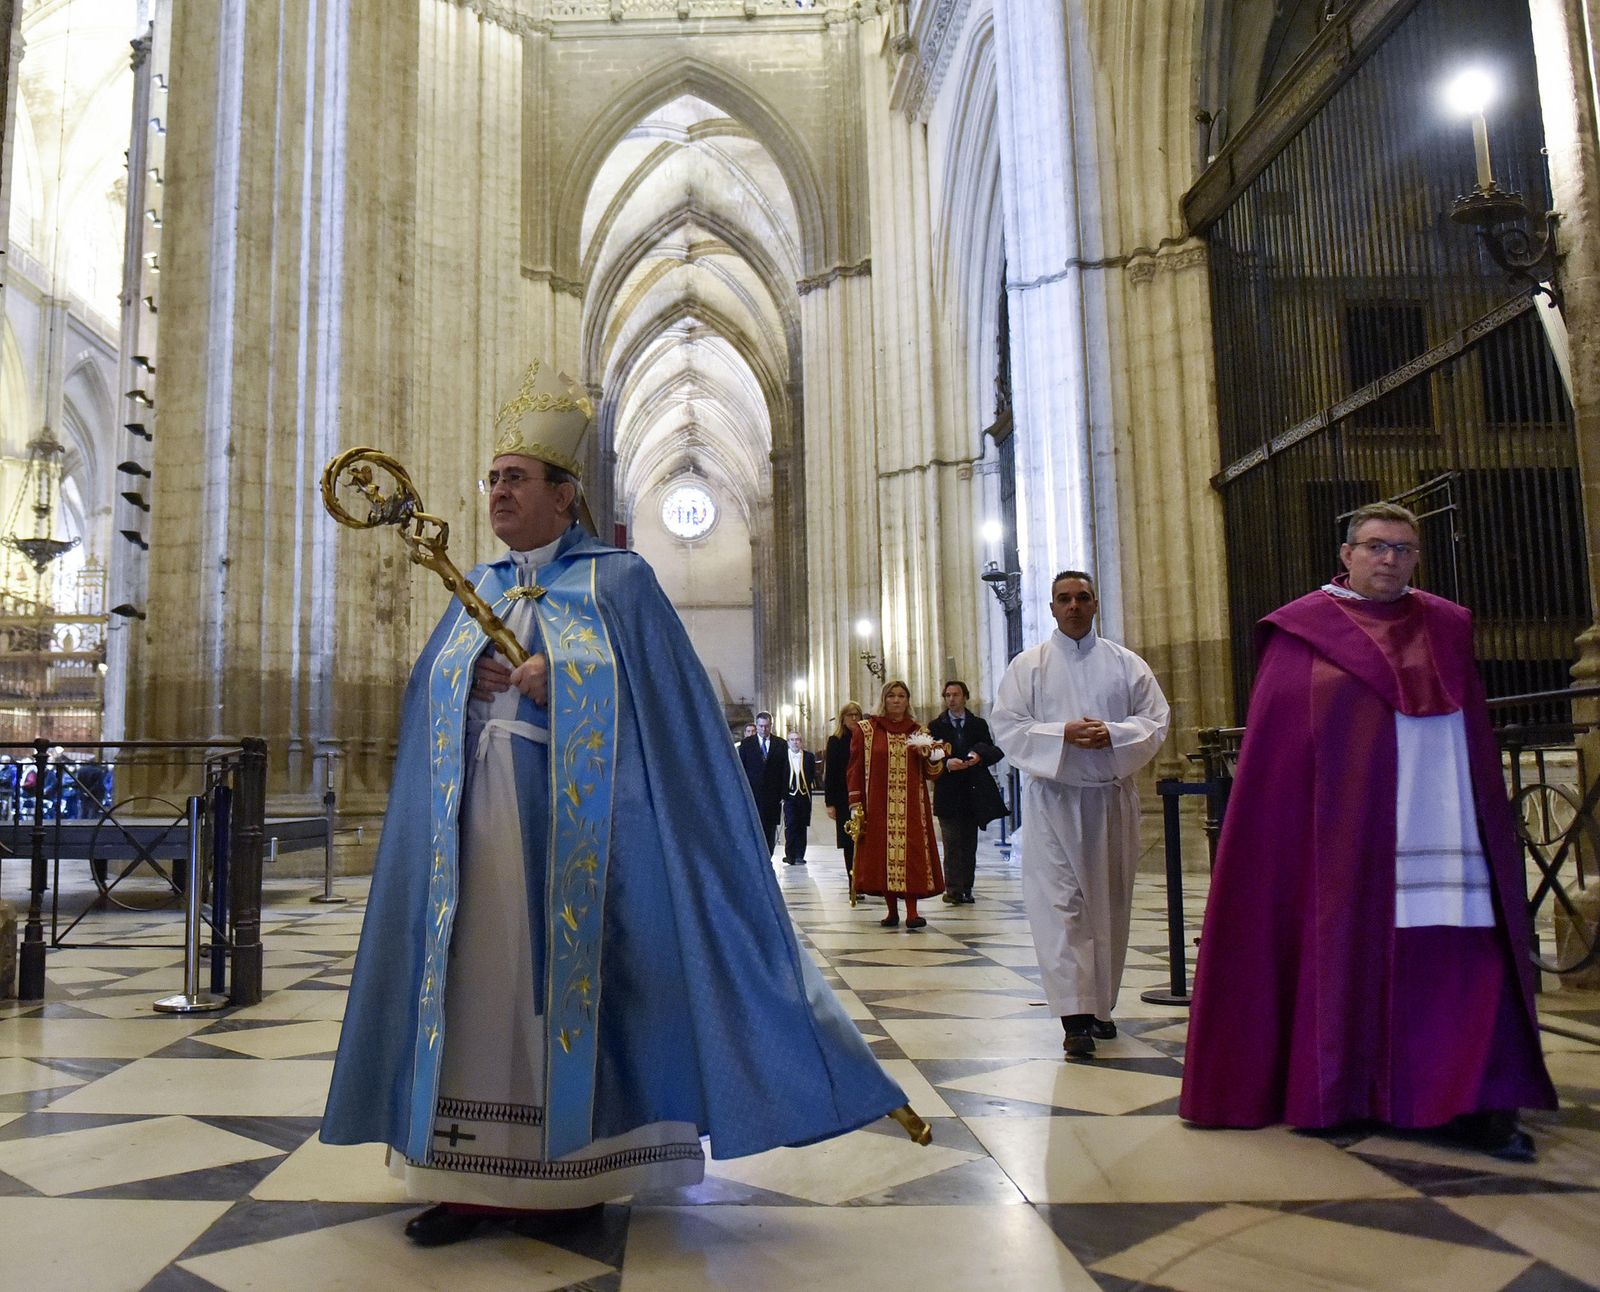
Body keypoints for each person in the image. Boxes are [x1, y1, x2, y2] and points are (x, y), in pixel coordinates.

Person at [322, 359, 911, 1247]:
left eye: (516, 479)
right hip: (474, 829)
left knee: (557, 992)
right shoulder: (474, 585)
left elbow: (674, 719)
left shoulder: (621, 583)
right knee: (477, 991)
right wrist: (465, 682)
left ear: (566, 498)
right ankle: (464, 1176)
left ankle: (575, 1174)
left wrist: (567, 684)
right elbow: (425, 702)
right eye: (492, 479)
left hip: (578, 841)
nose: (498, 493)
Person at [1179, 502, 1556, 1159]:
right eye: (1377, 546)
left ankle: (1479, 1100)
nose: (1390, 559)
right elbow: (1284, 754)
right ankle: (1343, 1089)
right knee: (1345, 951)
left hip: (1447, 833)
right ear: (1347, 554)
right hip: (1343, 843)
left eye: (1404, 549)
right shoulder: (1302, 633)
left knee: (1465, 962)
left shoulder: (1446, 626)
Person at [990, 571, 1169, 1058]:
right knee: (1063, 909)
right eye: (1064, 599)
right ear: (1050, 607)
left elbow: (1155, 721)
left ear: (1095, 604)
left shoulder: (1126, 665)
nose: (1073, 606)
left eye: (1082, 598)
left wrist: (1112, 732)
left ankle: (1101, 1007)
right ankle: (1074, 1018)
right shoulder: (1029, 666)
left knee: (1108, 905)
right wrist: (1062, 734)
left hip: (1110, 799)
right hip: (1055, 799)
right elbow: (1006, 726)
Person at [847, 680, 946, 930]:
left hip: (911, 805)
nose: (897, 700)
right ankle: (891, 911)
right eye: (891, 696)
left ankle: (912, 912)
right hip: (878, 804)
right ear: (884, 699)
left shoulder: (918, 731)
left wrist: (934, 757)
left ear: (908, 700)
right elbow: (855, 768)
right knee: (884, 855)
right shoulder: (866, 730)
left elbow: (931, 773)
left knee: (911, 856)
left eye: (902, 696)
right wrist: (855, 801)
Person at [927, 680, 1008, 905]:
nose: (951, 699)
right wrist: (946, 762)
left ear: (965, 697)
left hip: (972, 791)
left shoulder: (977, 724)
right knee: (952, 842)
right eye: (948, 695)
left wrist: (977, 756)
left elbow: (989, 746)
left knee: (968, 843)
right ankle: (953, 888)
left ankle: (967, 886)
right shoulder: (936, 725)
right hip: (948, 791)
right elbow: (929, 754)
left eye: (956, 694)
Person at [824, 702, 864, 895]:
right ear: (843, 718)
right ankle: (853, 882)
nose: (854, 719)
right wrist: (829, 803)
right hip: (843, 798)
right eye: (850, 715)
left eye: (857, 715)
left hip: (864, 795)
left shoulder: (867, 739)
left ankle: (866, 880)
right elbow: (830, 773)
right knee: (850, 842)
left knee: (865, 840)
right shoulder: (836, 740)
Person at [739, 711, 788, 855]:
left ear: (771, 725)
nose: (763, 729)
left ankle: (768, 857)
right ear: (757, 725)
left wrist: (784, 794)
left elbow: (785, 769)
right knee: (754, 827)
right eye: (760, 726)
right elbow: (742, 768)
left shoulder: (781, 744)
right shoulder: (747, 744)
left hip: (773, 795)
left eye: (766, 726)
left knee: (769, 830)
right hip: (753, 794)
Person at [781, 730, 817, 865]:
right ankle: (789, 855)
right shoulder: (783, 756)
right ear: (788, 742)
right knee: (790, 825)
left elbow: (812, 774)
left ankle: (800, 855)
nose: (795, 742)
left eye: (797, 739)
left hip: (804, 796)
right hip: (789, 796)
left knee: (802, 826)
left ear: (801, 742)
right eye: (792, 740)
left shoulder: (808, 757)